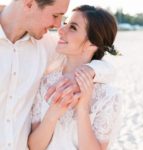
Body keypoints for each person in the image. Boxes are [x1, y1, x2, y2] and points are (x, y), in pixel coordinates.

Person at [0, 1, 115, 150]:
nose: (58, 26)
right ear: (29, 4)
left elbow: (102, 62)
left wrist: (87, 72)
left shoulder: (46, 46)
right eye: (55, 15)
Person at [28, 5, 122, 150]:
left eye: (73, 28)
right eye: (66, 23)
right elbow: (34, 146)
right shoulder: (46, 82)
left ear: (92, 44)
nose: (60, 30)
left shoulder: (108, 95)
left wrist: (83, 109)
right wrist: (52, 115)